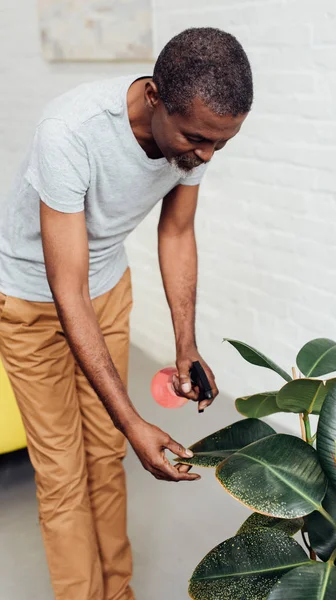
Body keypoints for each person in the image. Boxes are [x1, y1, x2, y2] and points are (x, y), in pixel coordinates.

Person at [0, 27, 253, 600]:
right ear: (155, 96)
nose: (205, 156)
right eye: (196, 139)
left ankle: (118, 592)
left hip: (108, 289)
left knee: (107, 456)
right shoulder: (70, 133)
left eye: (221, 143)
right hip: (30, 301)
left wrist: (185, 345)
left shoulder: (196, 133)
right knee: (63, 473)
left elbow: (178, 230)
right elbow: (67, 290)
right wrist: (133, 418)